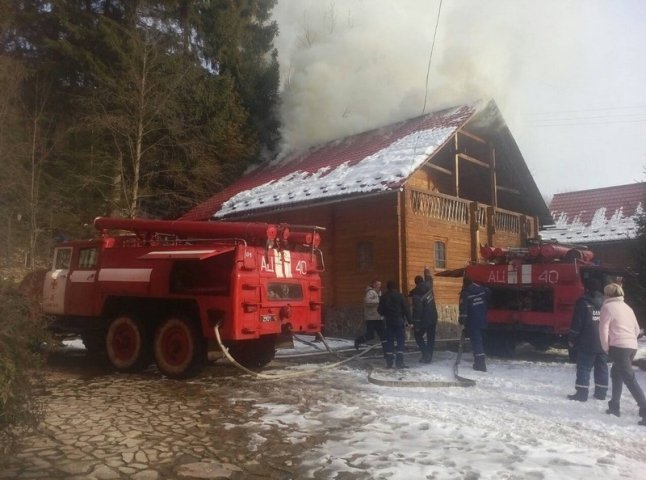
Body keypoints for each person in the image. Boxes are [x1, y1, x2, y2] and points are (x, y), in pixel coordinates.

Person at [599, 282, 646, 425]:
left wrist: (606, 347)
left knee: (629, 379)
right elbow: (637, 329)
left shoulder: (607, 307)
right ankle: (614, 406)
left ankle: (644, 410)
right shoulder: (627, 308)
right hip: (631, 346)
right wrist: (630, 339)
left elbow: (603, 330)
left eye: (604, 293)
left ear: (608, 294)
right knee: (616, 374)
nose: (603, 296)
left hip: (618, 347)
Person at [567, 278, 608, 401]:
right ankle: (601, 393)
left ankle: (582, 393)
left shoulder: (583, 302)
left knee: (584, 367)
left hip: (587, 341)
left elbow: (577, 323)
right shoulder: (605, 302)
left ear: (587, 288)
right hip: (603, 341)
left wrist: (572, 338)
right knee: (602, 367)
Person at [378, 280, 411, 369]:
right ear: (395, 287)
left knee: (389, 342)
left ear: (388, 287)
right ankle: (399, 363)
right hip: (399, 321)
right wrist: (410, 321)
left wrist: (385, 313)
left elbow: (379, 310)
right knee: (400, 341)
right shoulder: (400, 296)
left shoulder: (384, 297)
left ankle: (389, 363)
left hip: (389, 322)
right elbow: (406, 309)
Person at [459, 275, 489, 372]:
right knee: (480, 341)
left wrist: (462, 323)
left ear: (464, 283)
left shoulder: (465, 293)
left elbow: (463, 310)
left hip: (472, 322)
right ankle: (479, 362)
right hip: (482, 319)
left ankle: (480, 364)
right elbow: (489, 294)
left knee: (476, 342)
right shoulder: (481, 290)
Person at [408, 268, 438, 363]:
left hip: (424, 319)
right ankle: (429, 357)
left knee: (418, 335)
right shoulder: (429, 286)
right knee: (431, 338)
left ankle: (426, 354)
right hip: (433, 316)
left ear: (416, 283)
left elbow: (418, 310)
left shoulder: (416, 294)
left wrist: (416, 323)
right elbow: (429, 279)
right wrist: (426, 271)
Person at [354, 280, 386, 352]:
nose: (379, 286)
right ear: (374, 285)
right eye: (377, 284)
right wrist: (378, 301)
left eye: (380, 284)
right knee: (370, 335)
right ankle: (358, 341)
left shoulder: (379, 293)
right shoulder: (370, 292)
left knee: (383, 335)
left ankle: (386, 351)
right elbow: (367, 302)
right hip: (371, 318)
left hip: (378, 317)